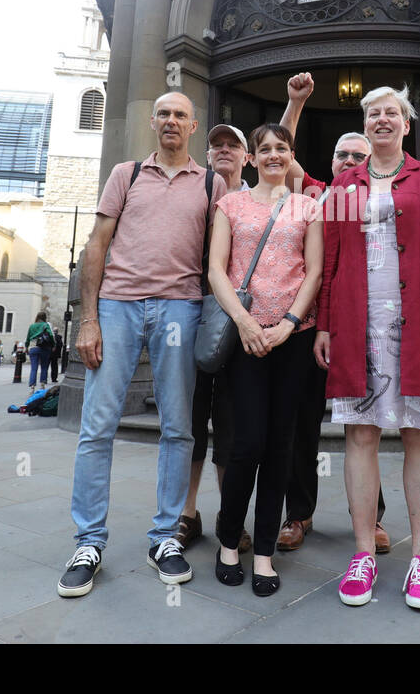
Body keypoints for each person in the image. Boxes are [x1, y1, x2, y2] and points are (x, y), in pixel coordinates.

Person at [59, 91, 226, 598]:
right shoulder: (125, 174)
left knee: (178, 428)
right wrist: (89, 320)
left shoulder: (212, 182)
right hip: (118, 305)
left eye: (181, 114)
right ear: (154, 122)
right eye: (164, 114)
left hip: (180, 307)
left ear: (193, 126)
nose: (172, 121)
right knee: (96, 426)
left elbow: (225, 250)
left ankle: (165, 538)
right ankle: (89, 541)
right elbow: (96, 245)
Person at [316, 84, 420, 612]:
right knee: (360, 435)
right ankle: (363, 554)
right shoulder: (343, 185)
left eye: (391, 113)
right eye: (373, 113)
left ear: (407, 123)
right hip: (358, 326)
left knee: (419, 436)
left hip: (419, 322)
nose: (382, 120)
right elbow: (330, 263)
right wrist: (325, 327)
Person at [276, 71, 389, 553]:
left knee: (364, 423)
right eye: (342, 154)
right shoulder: (315, 191)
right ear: (330, 160)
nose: (348, 161)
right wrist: (296, 102)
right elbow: (281, 151)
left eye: (358, 156)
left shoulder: (385, 195)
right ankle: (297, 515)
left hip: (356, 325)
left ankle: (373, 518)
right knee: (300, 422)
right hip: (306, 325)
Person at [208, 123, 323, 596]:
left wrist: (289, 324)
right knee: (246, 443)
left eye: (282, 148)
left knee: (281, 444)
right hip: (246, 336)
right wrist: (245, 322)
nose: (273, 155)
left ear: (291, 155)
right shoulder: (230, 204)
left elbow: (314, 269)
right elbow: (216, 268)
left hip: (292, 337)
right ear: (252, 158)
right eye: (264, 149)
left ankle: (265, 553)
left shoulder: (308, 206)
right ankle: (229, 539)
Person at [179, 122, 254, 552]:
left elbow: (283, 142)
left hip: (236, 322)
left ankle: (231, 518)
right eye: (216, 145)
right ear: (207, 155)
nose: (224, 149)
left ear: (247, 156)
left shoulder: (256, 197)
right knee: (189, 424)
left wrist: (296, 103)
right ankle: (187, 514)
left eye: (234, 144)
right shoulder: (195, 190)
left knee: (231, 425)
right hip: (190, 315)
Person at [25, 311, 55, 389]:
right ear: (45, 317)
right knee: (44, 367)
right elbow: (51, 335)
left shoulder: (32, 326)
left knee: (34, 368)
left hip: (33, 347)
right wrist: (53, 345)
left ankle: (32, 386)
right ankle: (42, 384)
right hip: (44, 347)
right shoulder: (45, 325)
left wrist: (26, 347)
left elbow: (28, 338)